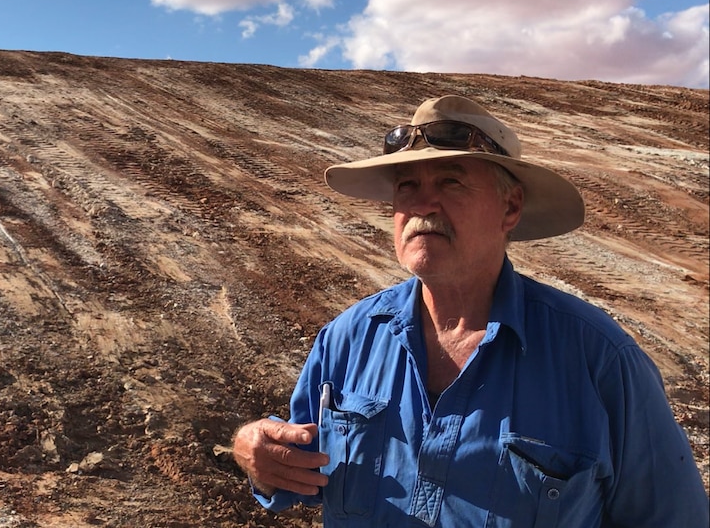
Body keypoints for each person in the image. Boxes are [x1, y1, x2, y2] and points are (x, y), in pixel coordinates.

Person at [232, 95, 708, 527]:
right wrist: (256, 454)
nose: (422, 204)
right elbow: (295, 465)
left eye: (451, 181)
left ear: (511, 207)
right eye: (406, 186)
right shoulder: (348, 338)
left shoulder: (598, 358)